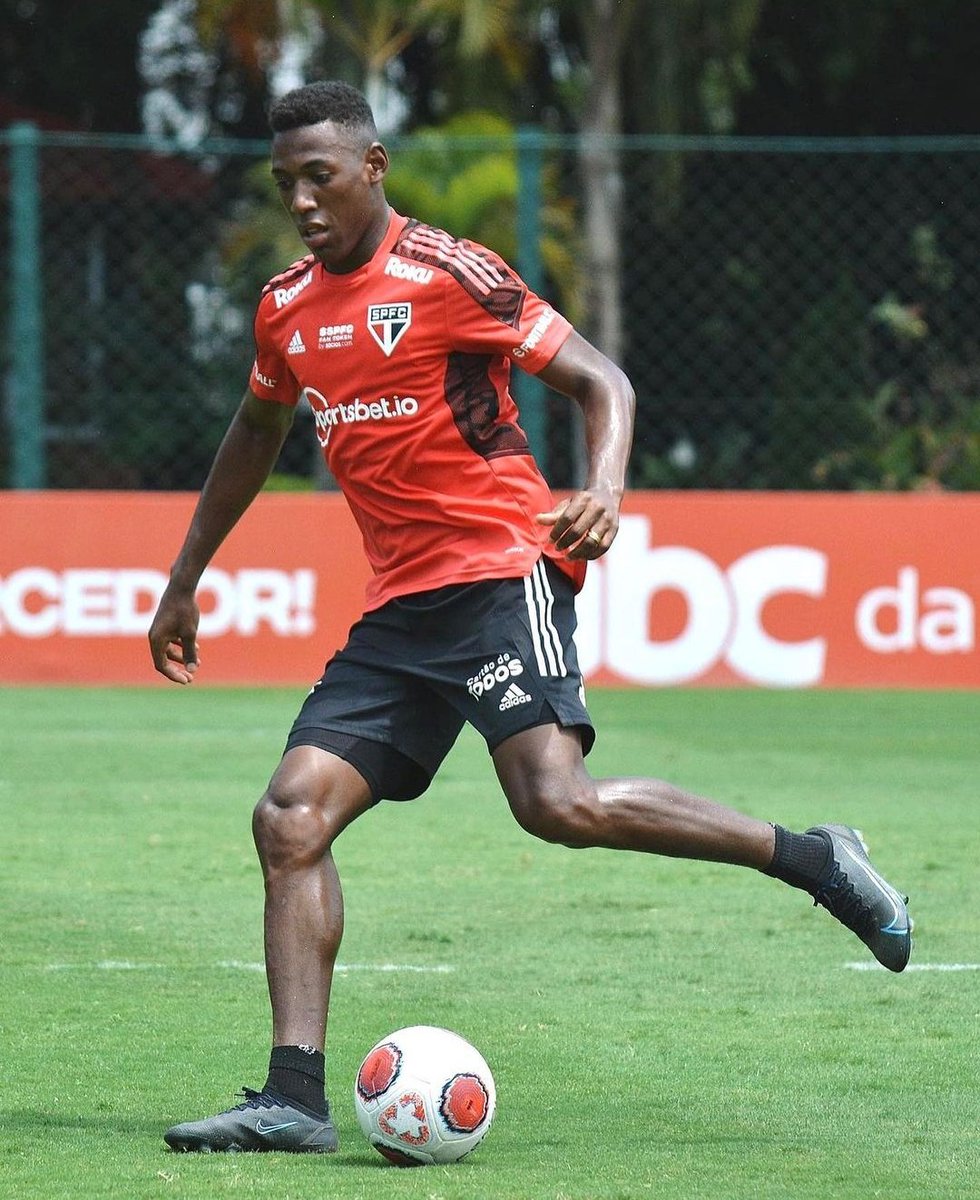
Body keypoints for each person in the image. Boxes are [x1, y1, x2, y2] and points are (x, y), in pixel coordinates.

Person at [149, 81, 912, 1155]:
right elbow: (254, 431)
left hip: (503, 575)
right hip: (399, 610)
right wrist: (184, 577)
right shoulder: (285, 307)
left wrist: (603, 488)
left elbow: (603, 382)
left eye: (319, 176)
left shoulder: (449, 272)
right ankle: (293, 1098)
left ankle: (814, 857)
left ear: (372, 166)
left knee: (555, 803)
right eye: (285, 184)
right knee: (289, 819)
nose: (302, 202)